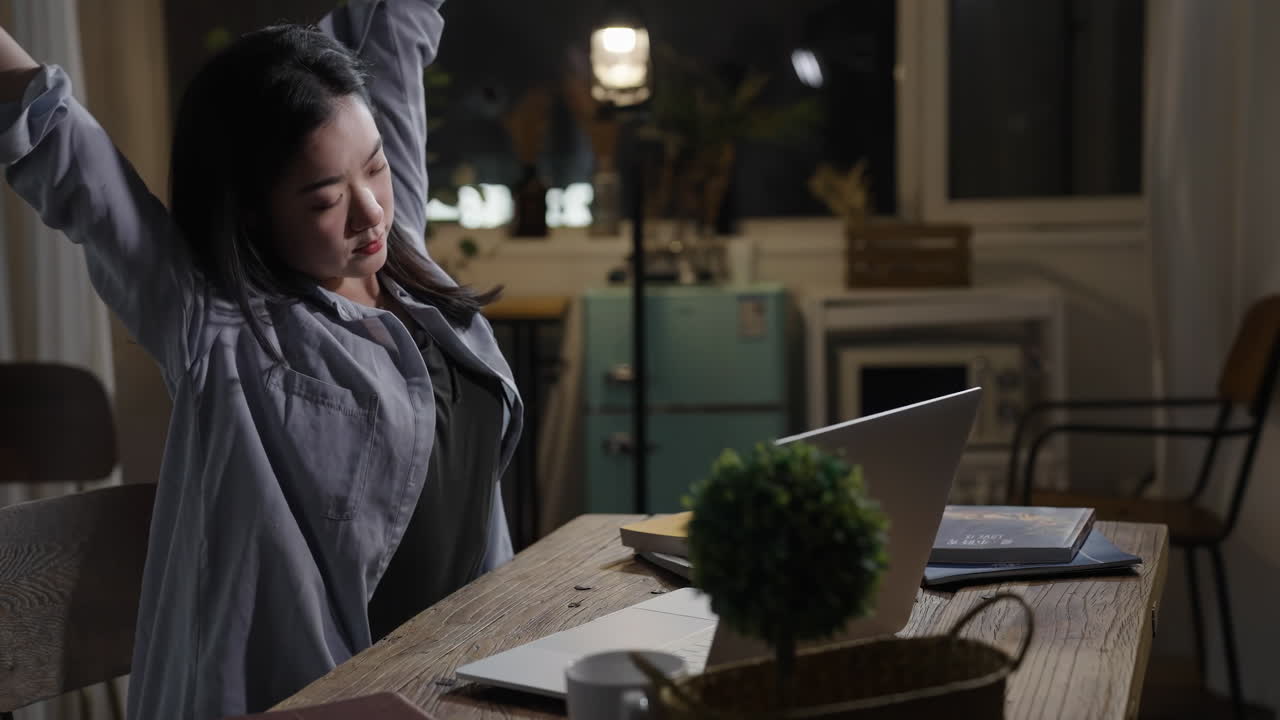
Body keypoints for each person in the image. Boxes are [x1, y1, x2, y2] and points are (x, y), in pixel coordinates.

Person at [0, 1, 521, 717]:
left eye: (375, 168)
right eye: (323, 199)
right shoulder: (219, 327)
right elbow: (64, 148)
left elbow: (392, 26)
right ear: (252, 210)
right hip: (318, 702)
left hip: (458, 672)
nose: (369, 210)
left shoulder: (396, 254)